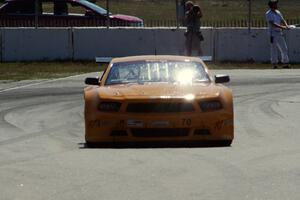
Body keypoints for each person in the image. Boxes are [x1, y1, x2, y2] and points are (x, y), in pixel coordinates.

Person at [265, 0, 290, 69]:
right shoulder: (268, 14)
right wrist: (282, 27)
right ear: (272, 5)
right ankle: (274, 64)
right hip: (272, 33)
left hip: (279, 32)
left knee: (284, 48)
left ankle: (285, 63)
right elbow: (273, 24)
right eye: (275, 4)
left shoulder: (278, 12)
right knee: (274, 49)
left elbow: (282, 20)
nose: (276, 5)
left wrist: (286, 25)